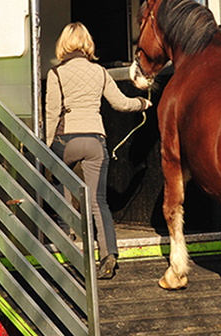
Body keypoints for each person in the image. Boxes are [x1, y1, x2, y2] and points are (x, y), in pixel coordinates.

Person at [44, 22, 151, 280]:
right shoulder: (100, 72)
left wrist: (46, 150)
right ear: (87, 44)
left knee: (59, 183)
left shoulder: (55, 74)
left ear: (63, 44)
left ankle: (66, 237)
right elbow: (121, 103)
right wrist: (142, 103)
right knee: (98, 200)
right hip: (95, 141)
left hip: (66, 140)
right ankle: (108, 255)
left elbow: (51, 114)